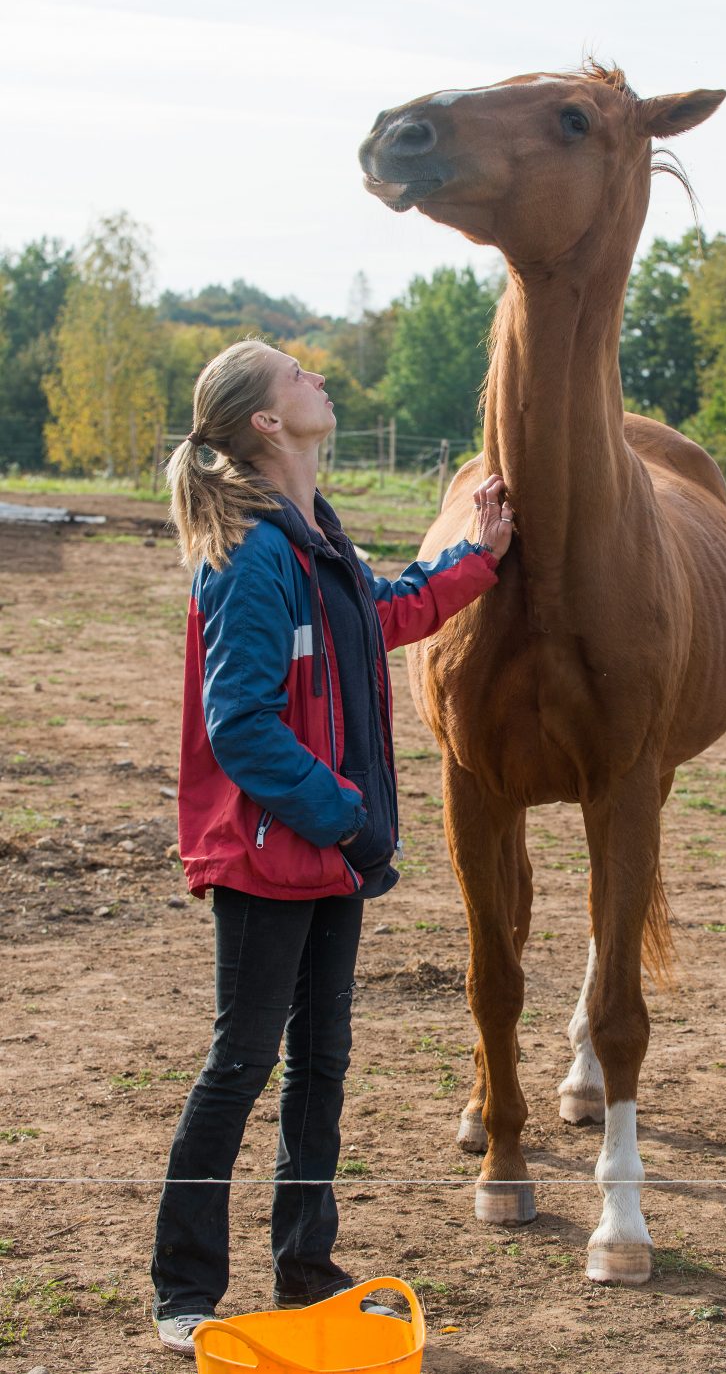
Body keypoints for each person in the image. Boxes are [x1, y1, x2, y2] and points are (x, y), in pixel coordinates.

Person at [151, 338, 513, 1356]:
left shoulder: (315, 536)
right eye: (296, 374)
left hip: (332, 851)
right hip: (273, 853)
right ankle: (183, 1288)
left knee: (323, 1059)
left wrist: (476, 562)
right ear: (268, 422)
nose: (318, 378)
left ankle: (305, 1261)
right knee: (241, 1062)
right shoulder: (252, 555)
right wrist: (345, 813)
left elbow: (385, 613)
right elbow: (244, 726)